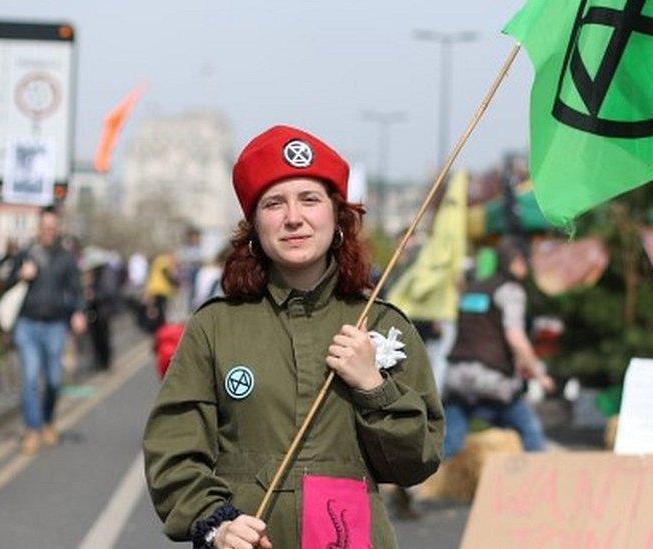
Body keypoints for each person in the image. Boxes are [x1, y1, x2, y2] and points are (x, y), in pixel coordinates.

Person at [143, 125, 443, 549]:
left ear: (336, 215)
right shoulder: (215, 326)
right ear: (254, 225)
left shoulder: (381, 324)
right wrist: (216, 523)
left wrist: (374, 388)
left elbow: (416, 462)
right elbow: (172, 450)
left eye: (309, 199)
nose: (293, 218)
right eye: (274, 203)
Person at [442, 239, 555, 459]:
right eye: (525, 261)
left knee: (451, 441)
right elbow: (515, 337)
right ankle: (541, 479)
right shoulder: (510, 290)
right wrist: (539, 374)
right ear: (515, 263)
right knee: (530, 433)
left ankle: (425, 487)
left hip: (457, 374)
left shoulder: (473, 289)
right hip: (492, 377)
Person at [4, 206, 87, 455]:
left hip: (55, 325)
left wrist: (79, 312)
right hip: (27, 323)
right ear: (38, 227)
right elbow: (6, 282)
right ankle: (32, 429)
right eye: (44, 227)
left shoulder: (65, 257)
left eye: (52, 227)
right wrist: (21, 275)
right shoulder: (26, 252)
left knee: (53, 380)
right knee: (29, 379)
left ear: (58, 228)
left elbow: (77, 289)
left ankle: (48, 420)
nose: (48, 232)